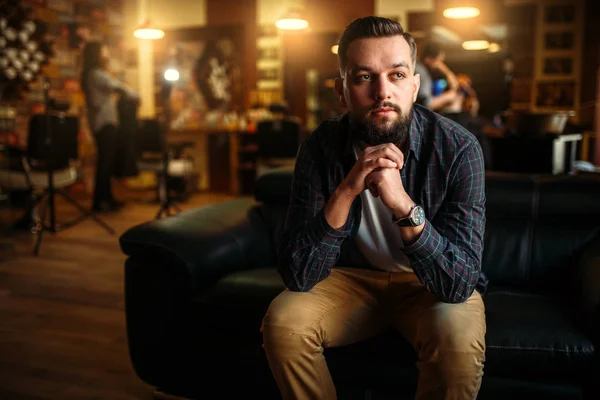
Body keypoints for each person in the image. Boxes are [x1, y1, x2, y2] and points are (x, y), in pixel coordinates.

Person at [261, 16, 488, 400]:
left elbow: (458, 283)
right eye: (364, 77)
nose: (382, 91)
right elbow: (299, 275)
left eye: (397, 75)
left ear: (415, 86)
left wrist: (402, 203)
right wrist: (348, 189)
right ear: (342, 91)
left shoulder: (459, 148)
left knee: (457, 342)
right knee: (284, 325)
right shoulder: (319, 147)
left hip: (426, 285)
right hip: (351, 279)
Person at [80, 41, 139, 212]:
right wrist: (135, 94)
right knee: (105, 162)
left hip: (103, 122)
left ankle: (106, 198)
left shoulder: (93, 74)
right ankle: (101, 201)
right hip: (104, 123)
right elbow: (117, 86)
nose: (106, 54)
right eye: (103, 51)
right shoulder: (96, 74)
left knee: (107, 162)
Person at [414, 42, 460, 113]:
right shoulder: (421, 73)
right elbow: (426, 104)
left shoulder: (418, 66)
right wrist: (447, 97)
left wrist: (445, 70)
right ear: (428, 59)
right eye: (438, 61)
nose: (439, 65)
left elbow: (455, 84)